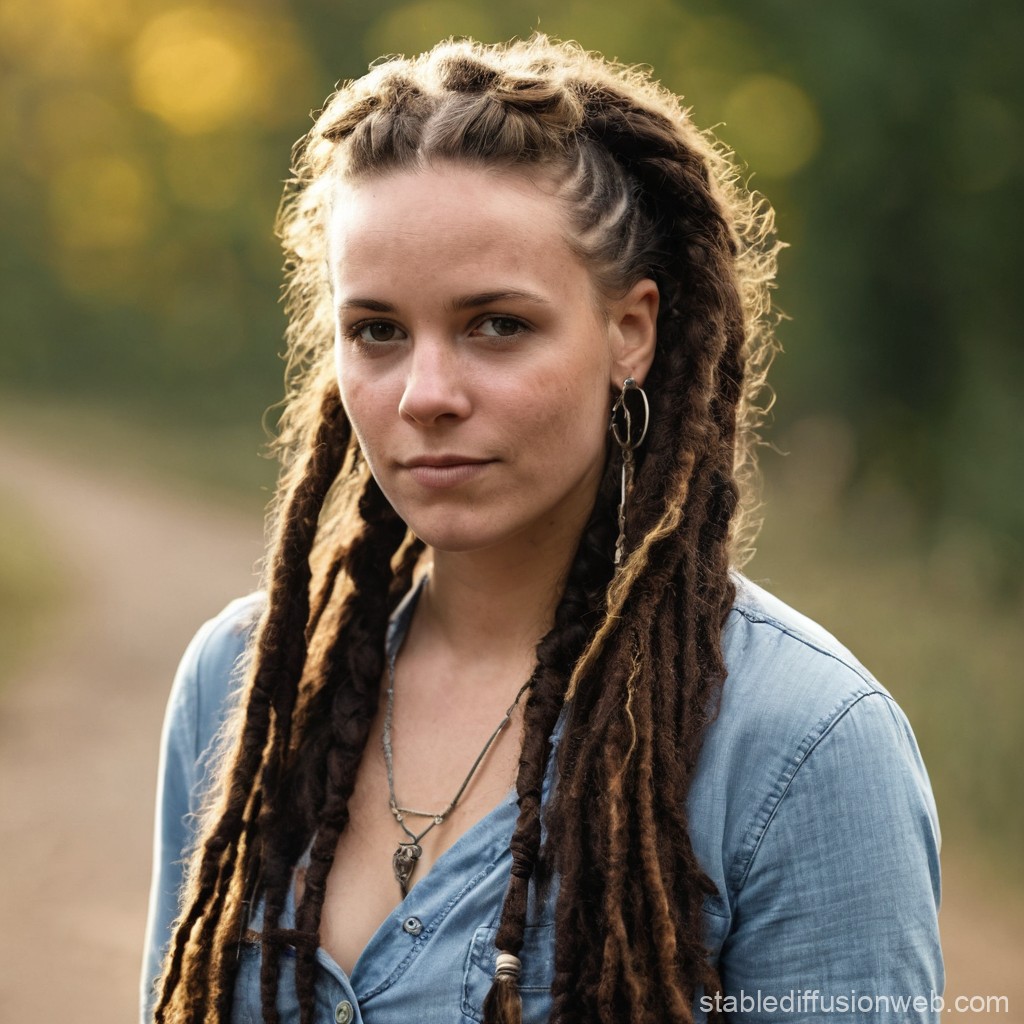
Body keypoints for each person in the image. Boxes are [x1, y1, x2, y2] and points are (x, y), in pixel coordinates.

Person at [141, 35, 942, 1024]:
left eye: (496, 325)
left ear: (629, 331)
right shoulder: (239, 684)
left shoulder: (801, 747)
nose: (425, 394)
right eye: (377, 331)